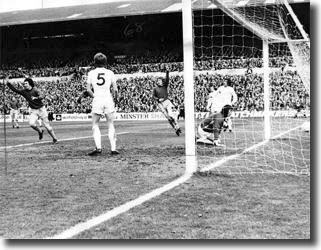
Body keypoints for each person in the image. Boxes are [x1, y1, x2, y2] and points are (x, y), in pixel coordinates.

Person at [5, 77, 58, 143]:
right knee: (31, 124)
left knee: (47, 127)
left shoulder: (35, 89)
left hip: (41, 109)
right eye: (24, 83)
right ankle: (40, 131)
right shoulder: (24, 91)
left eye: (26, 83)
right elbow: (15, 90)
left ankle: (54, 138)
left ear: (30, 84)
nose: (24, 85)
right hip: (33, 110)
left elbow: (42, 95)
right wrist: (8, 83)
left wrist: (36, 98)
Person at [86, 52, 119, 156]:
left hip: (97, 99)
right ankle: (113, 149)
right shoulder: (110, 73)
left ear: (95, 62)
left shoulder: (91, 73)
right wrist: (115, 98)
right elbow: (115, 89)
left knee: (95, 124)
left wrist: (95, 96)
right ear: (105, 62)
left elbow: (88, 90)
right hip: (108, 98)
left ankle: (98, 148)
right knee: (111, 124)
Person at [153, 69, 182, 136]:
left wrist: (167, 72)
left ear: (162, 81)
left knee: (172, 115)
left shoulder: (164, 86)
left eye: (160, 81)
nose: (159, 82)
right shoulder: (155, 89)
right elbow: (154, 97)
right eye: (158, 81)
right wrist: (158, 99)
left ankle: (177, 127)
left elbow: (167, 79)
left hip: (167, 102)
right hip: (160, 105)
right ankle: (176, 129)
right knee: (169, 119)